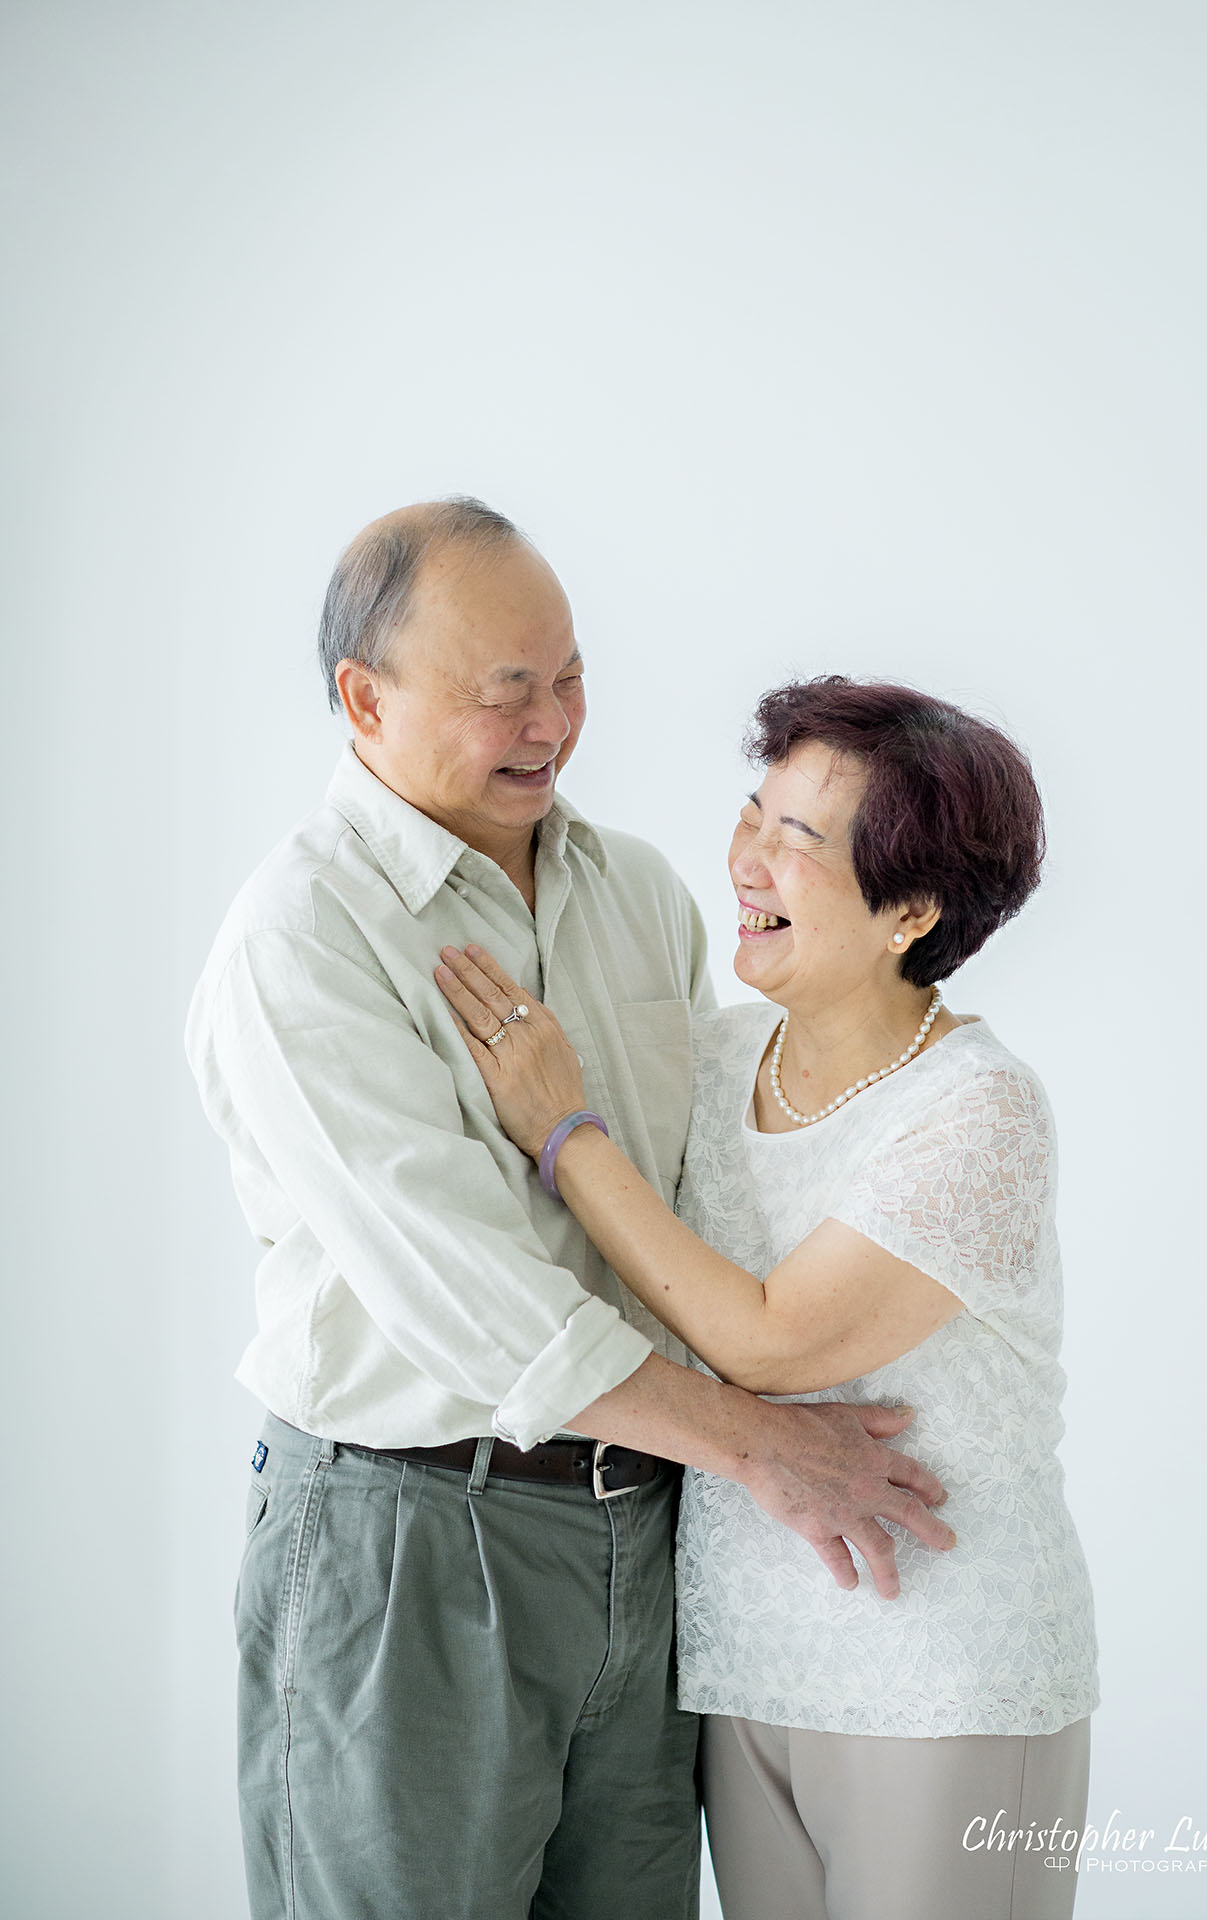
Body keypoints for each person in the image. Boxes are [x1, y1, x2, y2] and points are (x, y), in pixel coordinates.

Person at [184, 505, 955, 1920]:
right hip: (412, 1544)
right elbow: (473, 1304)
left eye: (571, 677)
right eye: (505, 692)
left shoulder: (641, 898)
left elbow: (690, 1212)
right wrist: (764, 1450)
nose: (554, 723)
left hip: (643, 1538)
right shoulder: (303, 935)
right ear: (364, 699)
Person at [436, 676, 1100, 1920]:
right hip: (740, 1668)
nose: (748, 857)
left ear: (910, 910)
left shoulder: (980, 1110)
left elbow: (769, 1340)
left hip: (947, 1673)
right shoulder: (717, 1053)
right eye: (755, 812)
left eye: (799, 838)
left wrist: (566, 1129)